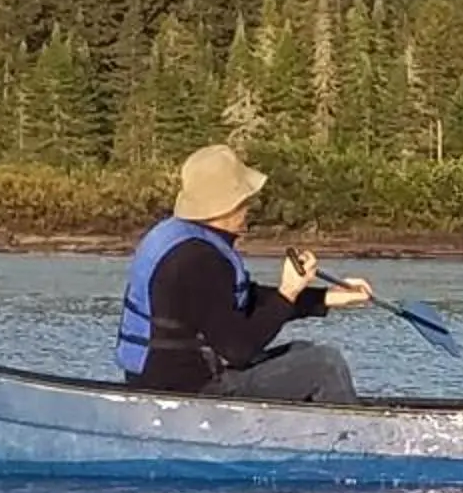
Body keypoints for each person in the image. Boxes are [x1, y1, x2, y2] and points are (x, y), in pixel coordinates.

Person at [116, 144, 374, 402]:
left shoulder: (180, 238)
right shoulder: (198, 258)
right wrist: (288, 292)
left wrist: (326, 297)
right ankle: (350, 428)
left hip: (162, 379)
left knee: (303, 351)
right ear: (226, 206)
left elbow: (241, 301)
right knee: (324, 365)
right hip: (188, 390)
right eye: (244, 201)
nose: (249, 207)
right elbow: (238, 350)